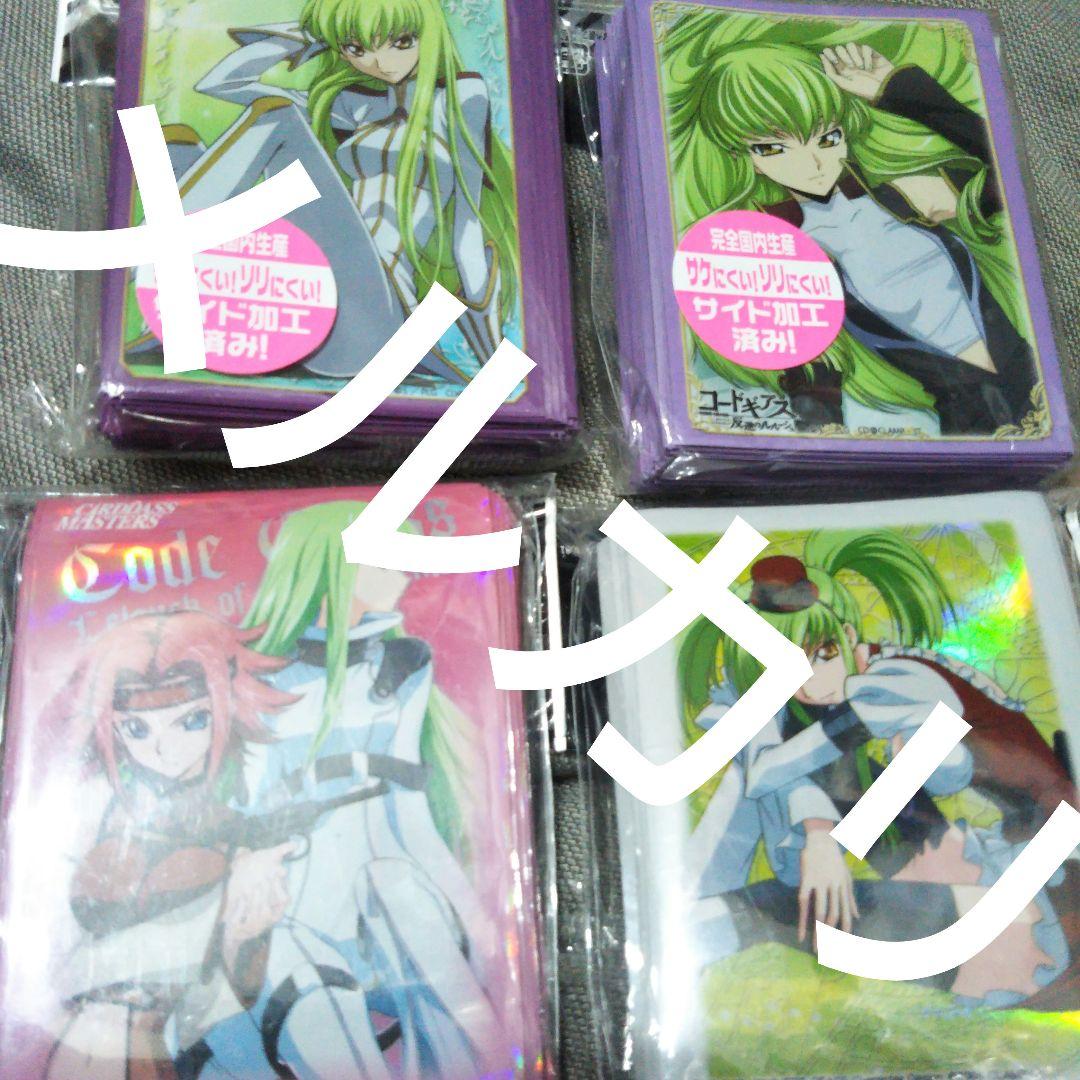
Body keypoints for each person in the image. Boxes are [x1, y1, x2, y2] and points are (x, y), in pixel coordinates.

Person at [678, 529, 1078, 1007]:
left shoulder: (895, 683)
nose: (810, 680)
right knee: (788, 762)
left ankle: (703, 916)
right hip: (978, 884)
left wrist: (819, 830)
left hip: (1037, 912)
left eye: (824, 654)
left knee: (773, 881)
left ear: (847, 638)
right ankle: (692, 908)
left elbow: (776, 769)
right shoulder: (842, 693)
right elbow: (778, 768)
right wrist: (818, 830)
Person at [190, 501, 502, 1078]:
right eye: (389, 558)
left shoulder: (402, 667)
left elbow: (409, 814)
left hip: (387, 877)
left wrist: (472, 914)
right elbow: (250, 812)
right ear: (333, 564)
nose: (406, 574)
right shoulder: (252, 679)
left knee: (403, 903)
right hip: (293, 892)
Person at [662, 13, 1042, 436]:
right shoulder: (784, 256)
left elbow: (1009, 174)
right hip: (966, 429)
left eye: (828, 138)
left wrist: (899, 92)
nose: (813, 163)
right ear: (740, 155)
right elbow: (813, 388)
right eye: (772, 148)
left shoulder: (901, 198)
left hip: (1035, 385)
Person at [158, 0, 518, 384]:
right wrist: (313, 33)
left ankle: (159, 250)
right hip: (311, 305)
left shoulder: (461, 95)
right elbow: (220, 84)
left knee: (277, 115)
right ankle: (176, 292)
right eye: (357, 48)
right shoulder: (350, 104)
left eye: (401, 41)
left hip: (375, 320)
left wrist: (492, 360)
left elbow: (467, 224)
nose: (381, 62)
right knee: (178, 143)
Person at [44, 612, 299, 1078]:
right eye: (137, 729)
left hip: (147, 1046)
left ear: (223, 710)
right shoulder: (91, 809)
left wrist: (242, 935)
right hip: (75, 1040)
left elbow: (226, 1000)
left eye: (192, 720)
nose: (164, 749)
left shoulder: (243, 839)